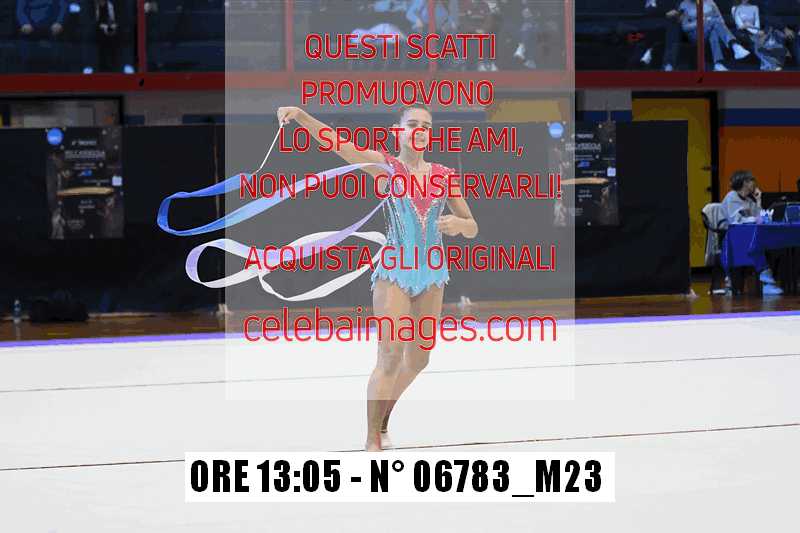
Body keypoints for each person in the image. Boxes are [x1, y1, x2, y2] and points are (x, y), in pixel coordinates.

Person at [276, 103, 479, 452]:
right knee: (390, 356)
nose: (419, 130)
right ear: (398, 130)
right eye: (411, 123)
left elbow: (473, 226)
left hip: (432, 272)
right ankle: (372, 440)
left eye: (426, 125)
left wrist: (460, 224)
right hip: (395, 271)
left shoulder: (444, 176)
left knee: (419, 358)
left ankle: (383, 417)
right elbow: (339, 144)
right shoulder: (385, 167)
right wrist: (302, 116)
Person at [721, 170, 783, 295]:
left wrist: (758, 201)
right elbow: (735, 221)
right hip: (733, 239)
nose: (754, 184)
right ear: (744, 182)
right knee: (757, 246)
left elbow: (760, 216)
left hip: (749, 236)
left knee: (772, 245)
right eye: (751, 181)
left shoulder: (749, 200)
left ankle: (768, 281)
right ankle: (766, 281)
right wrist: (755, 219)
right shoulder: (731, 197)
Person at [664, 0, 751, 71]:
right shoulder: (684, 4)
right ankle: (734, 46)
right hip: (694, 35)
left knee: (714, 30)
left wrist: (708, 22)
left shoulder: (710, 2)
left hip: (707, 32)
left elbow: (721, 20)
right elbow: (685, 27)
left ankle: (718, 64)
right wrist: (700, 22)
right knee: (714, 23)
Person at [732, 0, 787, 70]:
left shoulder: (755, 7)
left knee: (771, 37)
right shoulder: (735, 8)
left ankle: (772, 64)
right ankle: (771, 64)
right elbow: (740, 25)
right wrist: (756, 32)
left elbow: (758, 23)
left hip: (757, 31)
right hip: (743, 32)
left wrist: (762, 33)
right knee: (756, 42)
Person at [16, 0, 66, 71]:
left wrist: (59, 22)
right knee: (24, 36)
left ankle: (54, 64)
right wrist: (24, 23)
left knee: (58, 36)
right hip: (30, 26)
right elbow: (20, 10)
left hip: (51, 27)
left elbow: (63, 7)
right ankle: (25, 65)